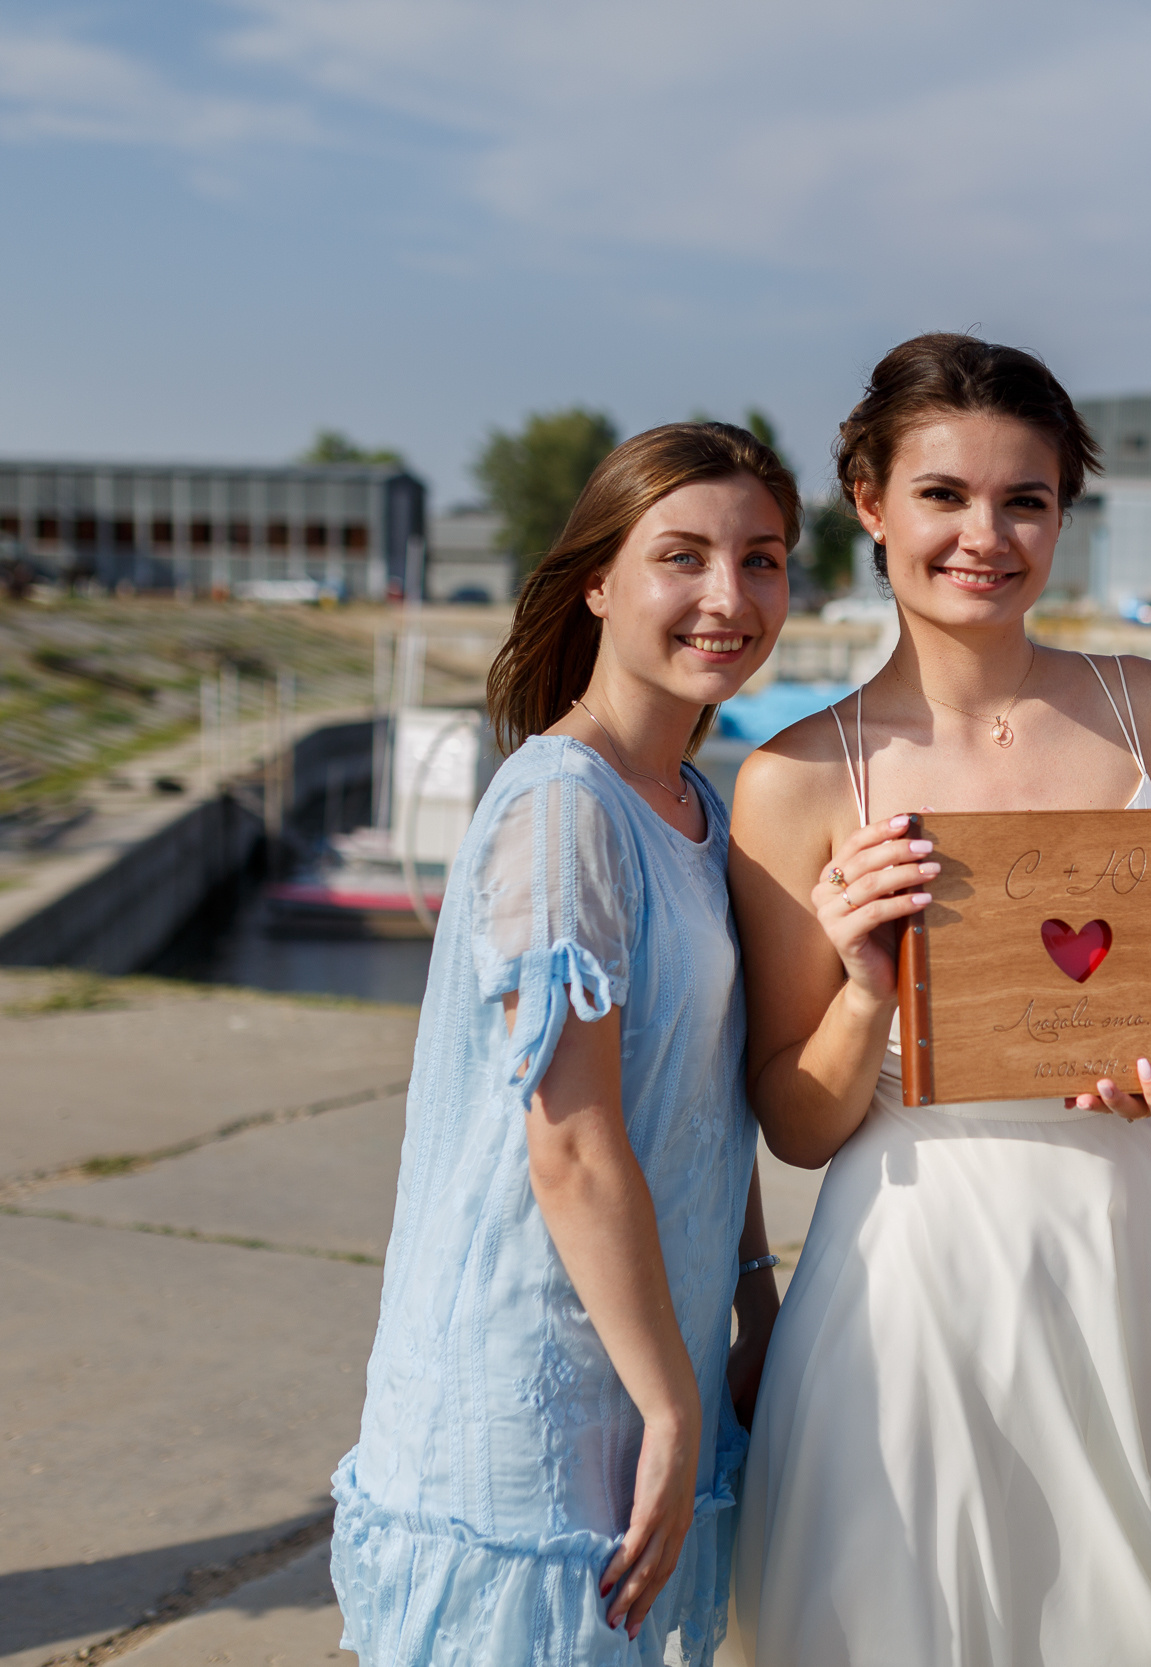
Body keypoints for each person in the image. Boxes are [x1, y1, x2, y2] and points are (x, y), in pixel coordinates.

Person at [728, 332, 1151, 1666]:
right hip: (914, 1266)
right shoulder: (793, 779)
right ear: (870, 504)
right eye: (945, 495)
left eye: (1025, 498)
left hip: (1126, 1236)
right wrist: (861, 981)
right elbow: (796, 1119)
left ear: (1063, 515)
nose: (987, 532)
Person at [330, 423, 794, 1667]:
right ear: (597, 578)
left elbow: (701, 1092)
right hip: (540, 1385)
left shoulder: (695, 804)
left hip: (653, 1359)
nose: (727, 597)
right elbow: (573, 1145)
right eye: (682, 556)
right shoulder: (561, 806)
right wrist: (670, 1406)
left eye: (762, 560)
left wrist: (750, 1302)